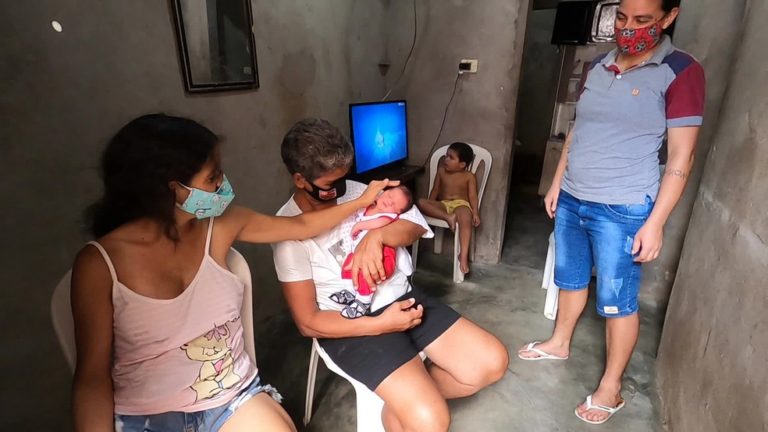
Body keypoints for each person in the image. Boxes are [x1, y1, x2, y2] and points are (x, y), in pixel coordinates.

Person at [70, 114, 395, 432]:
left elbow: (300, 225)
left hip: (229, 399)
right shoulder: (100, 265)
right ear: (175, 190)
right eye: (213, 177)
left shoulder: (223, 224)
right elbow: (92, 379)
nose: (223, 184)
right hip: (146, 414)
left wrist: (363, 201)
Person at [517, 0, 705, 425]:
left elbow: (682, 156)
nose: (628, 28)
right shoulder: (598, 66)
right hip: (573, 199)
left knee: (617, 302)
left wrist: (655, 223)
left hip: (623, 207)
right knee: (570, 278)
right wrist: (558, 180)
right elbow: (579, 130)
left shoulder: (681, 71)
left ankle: (611, 387)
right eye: (622, 18)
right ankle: (559, 342)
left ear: (669, 17)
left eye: (642, 20)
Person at [272, 119, 509, 432]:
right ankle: (413, 404)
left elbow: (414, 225)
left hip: (402, 298)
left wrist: (378, 237)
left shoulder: (360, 192)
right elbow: (308, 322)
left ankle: (405, 403)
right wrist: (380, 324)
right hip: (352, 323)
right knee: (431, 421)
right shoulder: (287, 228)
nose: (342, 190)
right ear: (301, 180)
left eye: (345, 179)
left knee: (491, 363)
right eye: (332, 185)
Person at [338, 185, 415, 319]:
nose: (389, 201)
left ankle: (363, 302)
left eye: (394, 204)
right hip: (358, 251)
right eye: (390, 195)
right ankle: (350, 292)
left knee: (366, 273)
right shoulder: (367, 208)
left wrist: (359, 226)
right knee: (347, 268)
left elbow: (378, 224)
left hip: (381, 254)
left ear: (397, 213)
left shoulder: (387, 217)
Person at [417, 142, 481, 274]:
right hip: (443, 205)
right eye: (446, 156)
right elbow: (435, 190)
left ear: (462, 164)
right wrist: (431, 204)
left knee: (465, 218)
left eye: (450, 157)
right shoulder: (441, 172)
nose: (446, 159)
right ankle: (448, 217)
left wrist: (475, 213)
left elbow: (473, 196)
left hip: (461, 204)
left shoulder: (469, 176)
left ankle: (463, 256)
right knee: (420, 202)